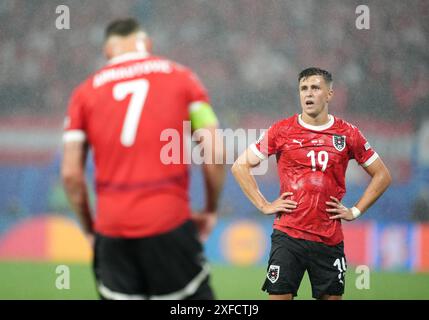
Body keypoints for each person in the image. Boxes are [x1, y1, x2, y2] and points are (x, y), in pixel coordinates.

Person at [61, 18, 225, 300]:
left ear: (108, 51)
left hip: (113, 231)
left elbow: (71, 175)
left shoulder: (84, 94)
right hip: (168, 224)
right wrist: (210, 208)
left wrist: (91, 229)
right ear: (147, 44)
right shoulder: (182, 78)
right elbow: (215, 153)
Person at [231, 67, 391, 300]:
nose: (308, 93)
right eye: (303, 88)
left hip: (329, 238)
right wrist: (264, 205)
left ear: (329, 94)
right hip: (288, 236)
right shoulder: (282, 130)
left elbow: (382, 175)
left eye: (315, 88)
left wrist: (355, 210)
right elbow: (240, 166)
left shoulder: (348, 134)